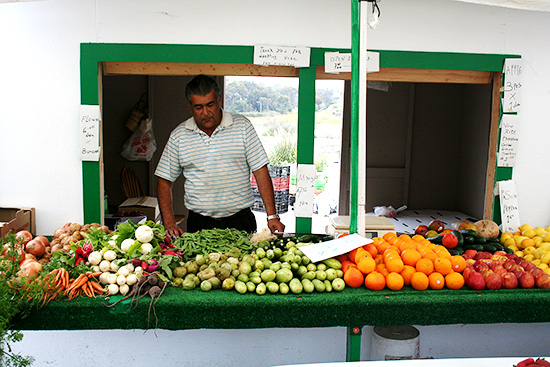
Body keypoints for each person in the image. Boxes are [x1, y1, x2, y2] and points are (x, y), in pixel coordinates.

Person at [155, 74, 285, 237]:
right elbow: (164, 181)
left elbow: (260, 171)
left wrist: (272, 215)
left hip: (240, 221)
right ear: (190, 107)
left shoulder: (242, 126)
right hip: (200, 224)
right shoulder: (179, 136)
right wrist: (169, 223)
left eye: (210, 105)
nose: (205, 112)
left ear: (219, 101)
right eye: (198, 107)